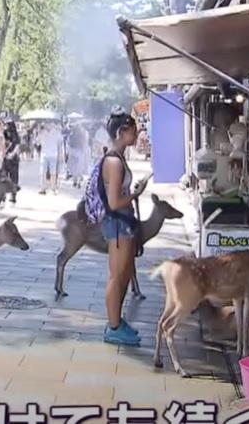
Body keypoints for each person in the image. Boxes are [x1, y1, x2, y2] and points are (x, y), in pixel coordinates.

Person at [97, 110, 149, 346]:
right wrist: (135, 194)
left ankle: (117, 319)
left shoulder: (118, 158)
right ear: (121, 132)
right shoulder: (114, 162)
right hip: (117, 223)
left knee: (125, 273)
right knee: (117, 276)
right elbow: (114, 201)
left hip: (123, 222)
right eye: (133, 131)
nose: (137, 135)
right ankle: (114, 326)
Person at [37, 122, 65, 195]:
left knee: (53, 172)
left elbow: (60, 145)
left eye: (49, 123)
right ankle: (43, 188)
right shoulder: (42, 132)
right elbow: (37, 142)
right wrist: (39, 133)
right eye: (46, 123)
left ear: (53, 124)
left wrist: (61, 154)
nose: (48, 125)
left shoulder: (57, 133)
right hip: (44, 154)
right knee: (43, 172)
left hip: (53, 155)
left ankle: (53, 188)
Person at [1, 118, 22, 204]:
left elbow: (17, 146)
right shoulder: (4, 133)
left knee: (13, 178)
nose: (6, 126)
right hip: (6, 158)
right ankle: (3, 195)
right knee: (4, 177)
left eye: (7, 124)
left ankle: (13, 196)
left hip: (13, 159)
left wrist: (12, 154)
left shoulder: (15, 135)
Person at [67, 122, 89, 188]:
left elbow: (69, 143)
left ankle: (74, 181)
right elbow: (85, 143)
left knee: (74, 167)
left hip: (72, 151)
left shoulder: (72, 133)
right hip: (80, 151)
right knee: (79, 168)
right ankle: (79, 182)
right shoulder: (84, 133)